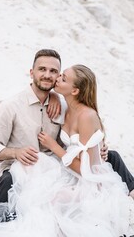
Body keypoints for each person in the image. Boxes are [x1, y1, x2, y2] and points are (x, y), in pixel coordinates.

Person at [0, 49, 134, 226]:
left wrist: (96, 147)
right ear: (32, 73)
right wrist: (15, 152)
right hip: (23, 167)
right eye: (42, 69)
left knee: (111, 156)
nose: (47, 75)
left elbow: (78, 137)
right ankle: (1, 226)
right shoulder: (10, 106)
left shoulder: (63, 103)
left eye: (54, 72)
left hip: (55, 168)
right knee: (9, 180)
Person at [37, 64, 134, 236]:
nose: (57, 78)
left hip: (90, 182)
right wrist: (52, 95)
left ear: (74, 91)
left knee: (53, 200)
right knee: (39, 191)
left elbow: (87, 171)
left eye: (63, 78)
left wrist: (54, 146)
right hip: (70, 173)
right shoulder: (66, 106)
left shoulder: (86, 116)